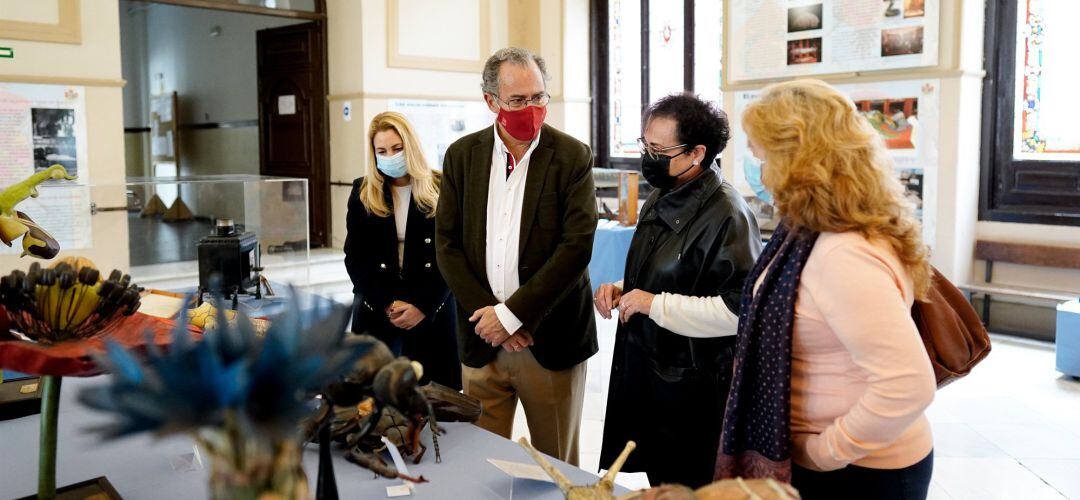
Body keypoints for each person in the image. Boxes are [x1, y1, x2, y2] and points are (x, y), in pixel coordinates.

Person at [715, 79, 936, 500]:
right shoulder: (810, 232)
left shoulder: (842, 253)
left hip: (862, 470)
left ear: (798, 159)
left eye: (759, 152)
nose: (754, 166)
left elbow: (907, 384)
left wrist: (823, 451)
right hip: (834, 458)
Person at [435, 47, 598, 465]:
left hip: (550, 340)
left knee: (556, 468)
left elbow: (575, 248)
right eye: (518, 100)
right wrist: (491, 316)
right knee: (480, 464)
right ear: (491, 101)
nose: (532, 109)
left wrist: (513, 316)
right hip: (481, 337)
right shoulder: (461, 156)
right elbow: (448, 245)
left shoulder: (572, 156)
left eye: (539, 97)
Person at [594, 93, 762, 488]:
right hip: (650, 372)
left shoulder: (728, 214)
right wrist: (623, 288)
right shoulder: (665, 191)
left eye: (658, 149)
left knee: (690, 485)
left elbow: (740, 310)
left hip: (694, 391)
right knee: (661, 483)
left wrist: (654, 304)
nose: (648, 157)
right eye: (644, 146)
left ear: (697, 153)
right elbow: (672, 269)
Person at [344, 111, 461, 390]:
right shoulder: (363, 191)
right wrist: (387, 303)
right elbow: (355, 258)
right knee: (371, 399)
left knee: (434, 404)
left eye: (397, 148)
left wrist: (423, 305)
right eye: (381, 151)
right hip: (378, 306)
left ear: (410, 146)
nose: (390, 156)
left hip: (432, 306)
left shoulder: (442, 186)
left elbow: (454, 253)